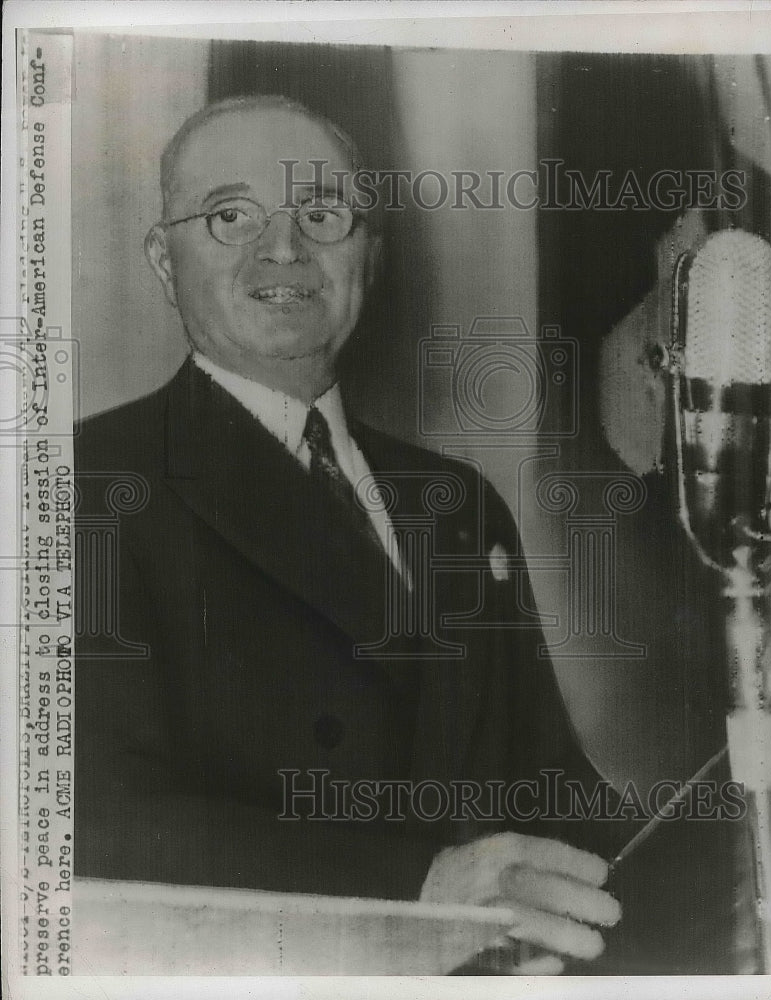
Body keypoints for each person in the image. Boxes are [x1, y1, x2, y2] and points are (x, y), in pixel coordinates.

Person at [74, 94, 626, 974]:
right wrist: (424, 881)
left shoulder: (456, 500)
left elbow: (554, 789)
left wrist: (721, 840)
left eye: (321, 215)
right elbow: (90, 816)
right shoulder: (88, 482)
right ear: (162, 259)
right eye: (230, 216)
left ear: (370, 252)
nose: (282, 251)